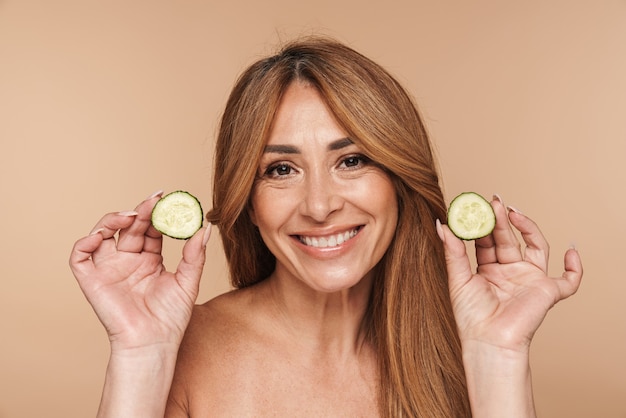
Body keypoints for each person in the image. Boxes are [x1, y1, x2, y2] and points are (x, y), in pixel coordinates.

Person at [69, 37, 583, 417]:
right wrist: (141, 356)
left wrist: (499, 356)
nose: (318, 205)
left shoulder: (458, 348)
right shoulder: (184, 348)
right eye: (281, 170)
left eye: (352, 160)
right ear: (247, 201)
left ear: (400, 181)